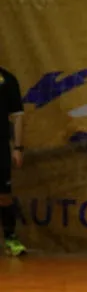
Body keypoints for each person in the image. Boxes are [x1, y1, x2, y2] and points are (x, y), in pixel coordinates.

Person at [0, 66, 25, 257]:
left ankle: (10, 238)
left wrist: (18, 147)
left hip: (0, 147)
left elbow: (17, 116)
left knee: (4, 195)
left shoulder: (7, 79)